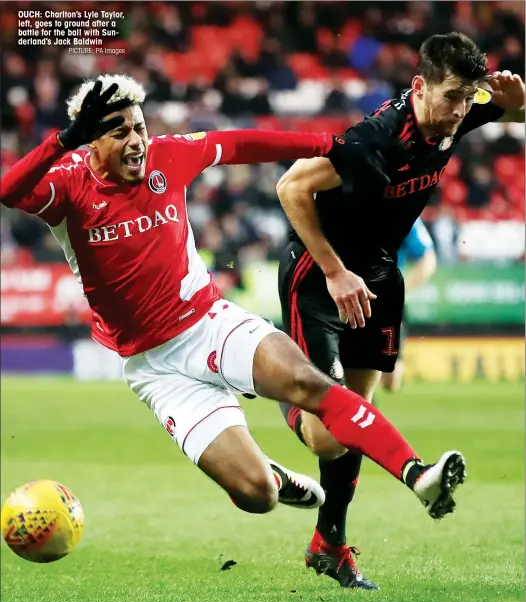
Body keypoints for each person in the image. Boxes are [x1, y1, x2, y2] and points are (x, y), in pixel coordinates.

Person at [2, 76, 464, 554]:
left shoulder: (169, 154)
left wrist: (330, 144)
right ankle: (271, 474)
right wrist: (61, 142)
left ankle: (418, 474)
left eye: (139, 127)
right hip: (155, 369)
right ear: (91, 139)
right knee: (257, 496)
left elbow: (241, 143)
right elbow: (8, 192)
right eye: (119, 132)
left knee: (312, 385)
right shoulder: (68, 183)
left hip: (209, 324)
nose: (137, 141)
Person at [276, 32, 525, 589]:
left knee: (358, 420)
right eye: (452, 97)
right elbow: (290, 187)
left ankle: (329, 543)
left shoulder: (456, 116)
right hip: (320, 276)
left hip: (380, 276)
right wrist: (336, 271)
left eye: (469, 98)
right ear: (419, 87)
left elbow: (510, 107)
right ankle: (276, 385)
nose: (461, 110)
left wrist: (516, 98)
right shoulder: (374, 139)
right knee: (329, 435)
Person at [381, 217, 437, 392]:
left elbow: (428, 260)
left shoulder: (407, 214)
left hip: (388, 299)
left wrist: (402, 289)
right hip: (350, 293)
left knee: (392, 382)